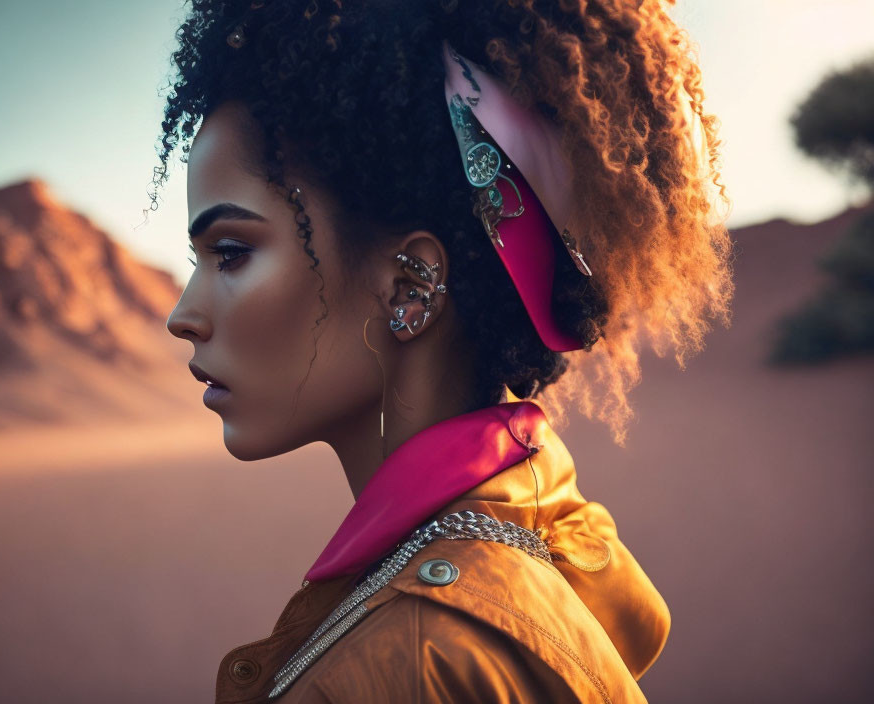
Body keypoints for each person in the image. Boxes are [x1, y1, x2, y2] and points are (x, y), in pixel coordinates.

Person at [160, 1, 734, 701]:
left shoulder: (418, 662)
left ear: (411, 287)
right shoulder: (537, 526)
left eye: (230, 252)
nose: (183, 316)